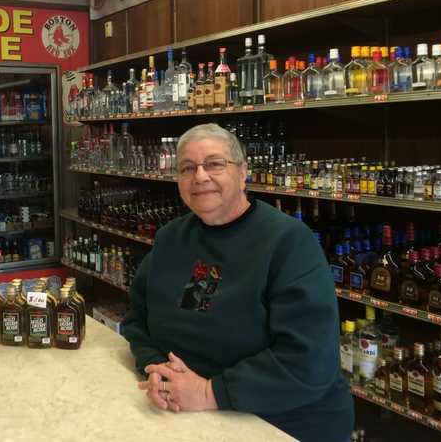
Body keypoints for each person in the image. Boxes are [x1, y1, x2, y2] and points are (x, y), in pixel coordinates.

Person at [121, 123, 354, 442]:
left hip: (282, 421)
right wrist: (157, 368)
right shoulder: (174, 237)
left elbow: (308, 359)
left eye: (214, 164)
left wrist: (207, 391)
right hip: (191, 415)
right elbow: (139, 320)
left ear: (243, 172)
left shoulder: (287, 242)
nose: (200, 176)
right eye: (188, 168)